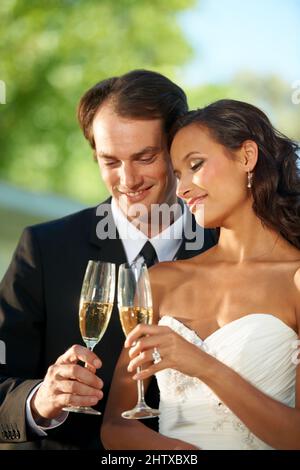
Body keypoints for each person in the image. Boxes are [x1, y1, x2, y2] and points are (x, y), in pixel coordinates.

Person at [0, 70, 216, 450]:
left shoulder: (230, 246)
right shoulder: (44, 249)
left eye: (145, 157)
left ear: (178, 148)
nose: (128, 180)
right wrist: (42, 400)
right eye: (110, 161)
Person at [102, 99, 300, 450]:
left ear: (246, 157)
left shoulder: (295, 280)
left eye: (196, 165)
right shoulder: (160, 280)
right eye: (178, 175)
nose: (182, 190)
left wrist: (204, 366)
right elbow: (116, 426)